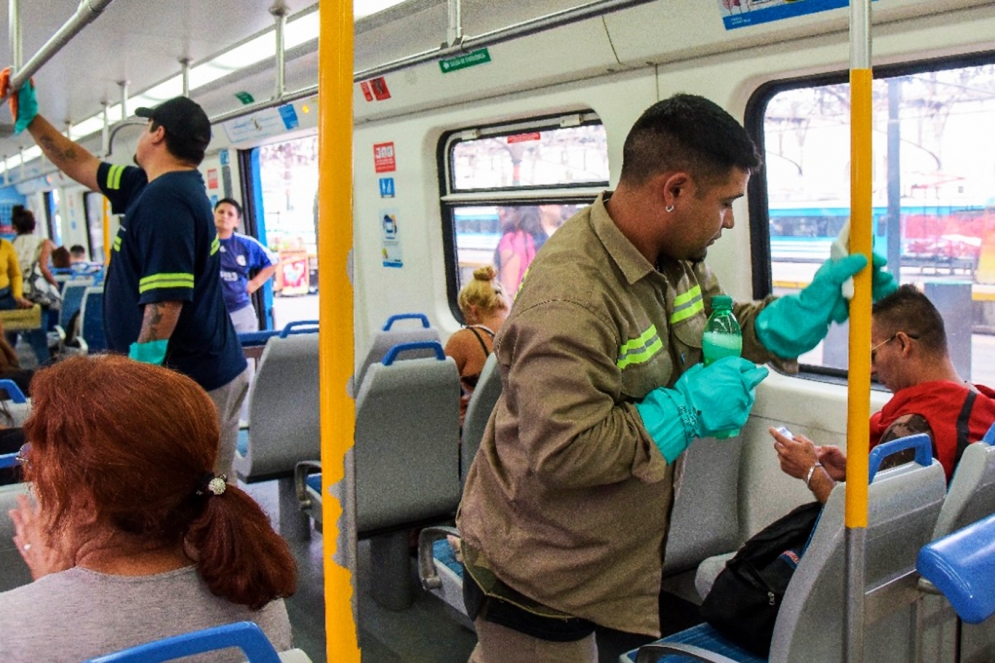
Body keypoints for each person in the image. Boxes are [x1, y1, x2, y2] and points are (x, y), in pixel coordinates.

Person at [456, 93, 896, 661]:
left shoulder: (677, 258)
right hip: (537, 567)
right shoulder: (571, 298)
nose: (730, 220)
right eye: (725, 202)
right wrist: (684, 413)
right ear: (675, 190)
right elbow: (566, 450)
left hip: (594, 551)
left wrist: (788, 319)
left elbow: (717, 325)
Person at [8, 80, 250, 477]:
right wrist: (33, 120)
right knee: (202, 490)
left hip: (192, 383)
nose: (140, 135)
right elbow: (79, 163)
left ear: (158, 133)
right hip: (199, 374)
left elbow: (165, 303)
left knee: (196, 496)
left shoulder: (166, 201)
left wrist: (139, 382)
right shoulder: (149, 186)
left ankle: (213, 539)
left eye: (145, 126)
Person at [0, 355, 296, 662]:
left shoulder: (12, 629)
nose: (30, 471)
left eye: (36, 460)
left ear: (86, 501)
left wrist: (49, 598)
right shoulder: (255, 592)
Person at [772, 284, 995, 502]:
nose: (870, 370)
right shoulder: (978, 403)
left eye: (872, 355)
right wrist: (853, 470)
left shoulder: (912, 431)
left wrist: (812, 471)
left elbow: (867, 531)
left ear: (902, 344)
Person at [444, 266, 510, 425]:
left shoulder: (463, 340)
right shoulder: (522, 333)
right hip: (515, 429)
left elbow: (439, 391)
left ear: (472, 310)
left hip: (478, 432)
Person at [214, 198, 278, 333]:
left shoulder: (246, 244)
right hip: (211, 311)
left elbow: (272, 261)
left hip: (240, 310)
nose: (224, 216)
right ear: (214, 215)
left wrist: (254, 284)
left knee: (246, 351)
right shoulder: (201, 243)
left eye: (230, 214)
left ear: (237, 222)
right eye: (220, 212)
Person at [8, 206, 58, 366]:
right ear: (34, 225)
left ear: (14, 227)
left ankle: (12, 373)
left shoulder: (9, 245)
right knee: (39, 339)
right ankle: (47, 373)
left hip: (13, 295)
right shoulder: (43, 243)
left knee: (9, 339)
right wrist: (54, 285)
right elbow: (44, 268)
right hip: (35, 295)